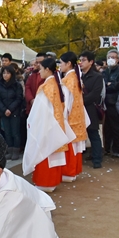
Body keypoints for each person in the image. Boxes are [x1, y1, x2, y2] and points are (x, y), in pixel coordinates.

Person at [24, 58, 75, 192]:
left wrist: (33, 123)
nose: (39, 72)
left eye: (40, 69)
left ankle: (45, 182)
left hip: (46, 125)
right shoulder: (55, 84)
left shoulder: (46, 87)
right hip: (55, 125)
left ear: (47, 69)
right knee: (52, 155)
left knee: (45, 153)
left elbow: (40, 110)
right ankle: (51, 181)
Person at [58, 52, 88, 181]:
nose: (59, 66)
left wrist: (62, 117)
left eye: (61, 63)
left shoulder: (67, 80)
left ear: (69, 64)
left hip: (69, 117)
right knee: (75, 147)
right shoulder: (76, 77)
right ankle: (73, 171)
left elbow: (66, 102)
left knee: (70, 145)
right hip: (78, 115)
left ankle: (69, 173)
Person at [79, 51, 105, 168]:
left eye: (84, 60)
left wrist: (80, 101)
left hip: (91, 109)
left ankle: (97, 159)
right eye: (80, 60)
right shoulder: (78, 75)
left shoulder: (97, 76)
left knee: (93, 133)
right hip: (79, 109)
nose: (81, 62)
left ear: (91, 62)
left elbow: (95, 94)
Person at [0, 64, 25, 158]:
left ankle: (16, 151)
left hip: (15, 112)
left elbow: (18, 98)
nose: (5, 75)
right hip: (4, 112)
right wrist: (4, 110)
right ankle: (10, 150)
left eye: (8, 73)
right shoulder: (0, 85)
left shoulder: (17, 85)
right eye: (4, 73)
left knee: (15, 132)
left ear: (12, 74)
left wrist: (10, 109)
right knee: (7, 132)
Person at [102, 50, 119, 157]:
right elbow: (102, 85)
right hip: (104, 103)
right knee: (106, 128)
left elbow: (116, 86)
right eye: (109, 57)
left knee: (116, 127)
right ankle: (106, 148)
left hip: (115, 102)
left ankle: (117, 149)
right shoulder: (104, 72)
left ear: (117, 59)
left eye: (114, 57)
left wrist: (108, 85)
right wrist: (107, 85)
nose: (111, 59)